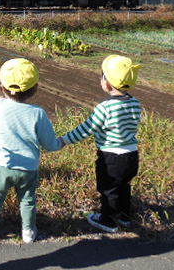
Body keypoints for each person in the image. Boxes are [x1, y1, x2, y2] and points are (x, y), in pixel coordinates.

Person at [0, 58, 64, 244]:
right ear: (34, 89)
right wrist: (62, 142)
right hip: (29, 168)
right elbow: (50, 144)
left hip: (3, 165)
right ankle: (28, 231)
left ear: (1, 88)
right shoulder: (38, 113)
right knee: (27, 200)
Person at [60, 55, 142, 233]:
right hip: (132, 155)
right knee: (124, 186)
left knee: (108, 189)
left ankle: (108, 220)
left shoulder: (105, 108)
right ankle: (125, 218)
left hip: (111, 156)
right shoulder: (136, 103)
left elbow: (86, 129)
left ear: (108, 83)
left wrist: (64, 140)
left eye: (102, 75)